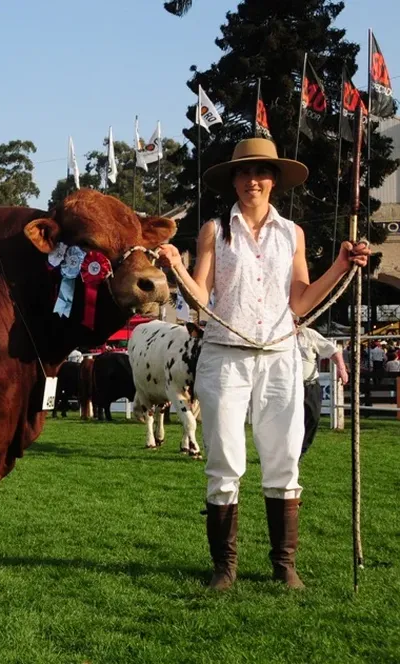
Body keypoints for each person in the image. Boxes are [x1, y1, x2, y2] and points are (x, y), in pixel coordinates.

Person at [157, 138, 369, 591]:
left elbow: (302, 299)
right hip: (224, 358)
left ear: (275, 180)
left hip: (280, 357)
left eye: (262, 172)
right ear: (232, 179)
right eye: (244, 172)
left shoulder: (293, 233)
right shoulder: (215, 230)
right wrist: (175, 265)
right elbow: (199, 298)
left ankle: (284, 564)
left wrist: (342, 264)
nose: (253, 180)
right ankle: (224, 568)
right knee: (225, 460)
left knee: (283, 461)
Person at [296, 327, 348, 457]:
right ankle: (287, 454)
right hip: (287, 388)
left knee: (313, 418)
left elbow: (333, 351)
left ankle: (300, 452)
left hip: (310, 385)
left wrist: (341, 368)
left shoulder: (308, 333)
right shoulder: (277, 335)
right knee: (287, 422)